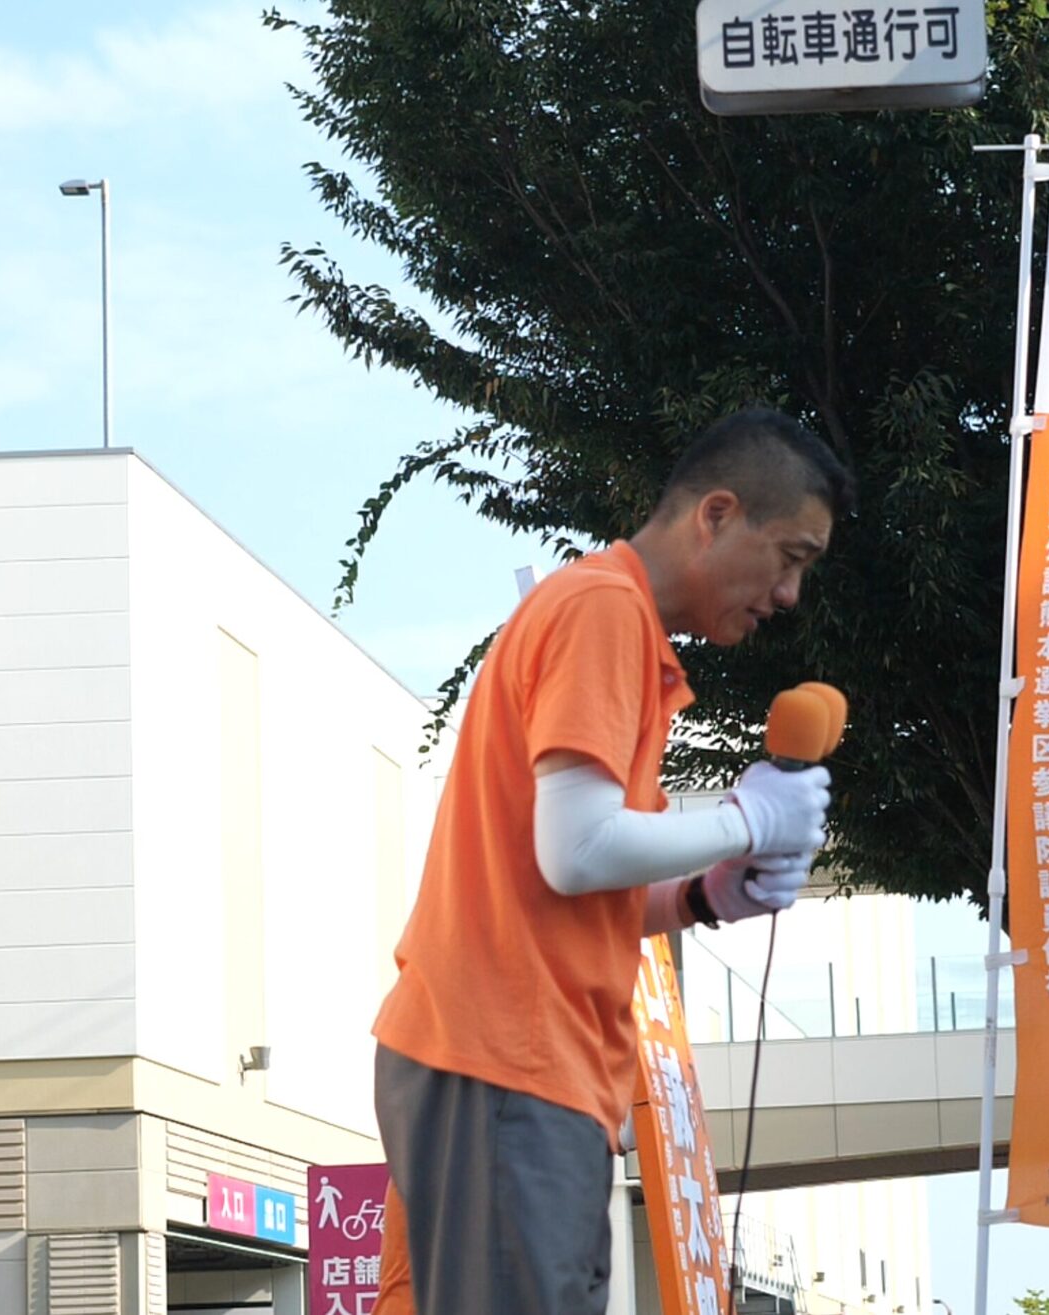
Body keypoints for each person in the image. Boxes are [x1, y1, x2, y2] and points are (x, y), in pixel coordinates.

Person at [371, 407, 853, 1315]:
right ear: (716, 514)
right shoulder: (602, 609)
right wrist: (748, 818)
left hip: (516, 1063)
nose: (789, 594)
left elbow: (583, 877)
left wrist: (706, 897)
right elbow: (579, 850)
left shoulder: (614, 620)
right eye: (790, 556)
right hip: (506, 1054)